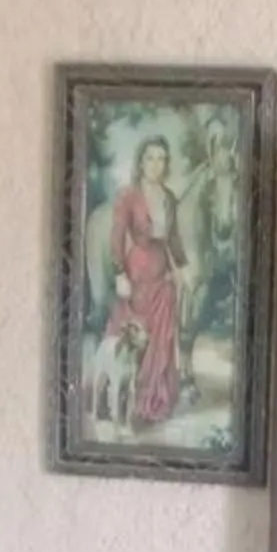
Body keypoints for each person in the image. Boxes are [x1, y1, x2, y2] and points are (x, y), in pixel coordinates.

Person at [102, 136, 189, 429]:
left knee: (162, 334)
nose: (156, 165)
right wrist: (119, 273)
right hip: (136, 272)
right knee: (130, 335)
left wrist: (183, 267)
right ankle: (118, 396)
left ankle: (150, 400)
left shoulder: (169, 197)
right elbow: (116, 236)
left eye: (162, 159)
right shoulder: (128, 196)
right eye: (151, 158)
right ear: (141, 161)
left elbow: (173, 238)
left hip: (162, 273)